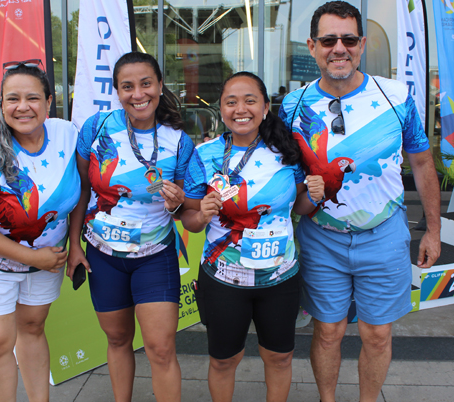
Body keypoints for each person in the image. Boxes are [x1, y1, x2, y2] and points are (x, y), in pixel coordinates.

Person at [279, 2, 441, 402]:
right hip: (321, 236)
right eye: (329, 40)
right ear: (312, 46)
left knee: (377, 333)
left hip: (383, 233)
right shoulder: (292, 106)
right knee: (328, 331)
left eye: (349, 39)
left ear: (362, 44)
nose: (339, 48)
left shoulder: (396, 96)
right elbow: (281, 177)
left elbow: (421, 163)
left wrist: (433, 231)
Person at [180, 71, 324, 402]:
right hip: (224, 278)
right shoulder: (205, 154)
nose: (240, 109)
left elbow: (299, 207)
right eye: (231, 102)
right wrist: (201, 213)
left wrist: (315, 195)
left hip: (279, 277)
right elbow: (190, 220)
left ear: (265, 106)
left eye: (250, 100)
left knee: (280, 357)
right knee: (223, 361)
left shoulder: (288, 151)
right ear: (221, 107)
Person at [67, 51, 194, 402]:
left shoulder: (178, 140)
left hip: (154, 255)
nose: (138, 94)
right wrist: (74, 245)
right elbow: (82, 188)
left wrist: (179, 201)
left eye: (145, 84)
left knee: (161, 348)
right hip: (103, 253)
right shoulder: (96, 127)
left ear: (159, 86)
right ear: (117, 91)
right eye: (127, 87)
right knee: (118, 339)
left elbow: (188, 206)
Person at [0, 60, 80, 402]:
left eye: (32, 98)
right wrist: (32, 257)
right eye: (13, 99)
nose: (23, 107)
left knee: (33, 328)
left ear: (49, 101)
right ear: (0, 104)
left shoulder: (67, 134)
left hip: (45, 259)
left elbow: (81, 192)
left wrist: (72, 245)